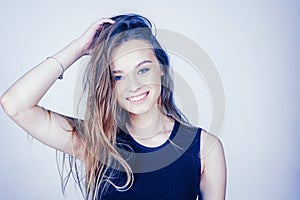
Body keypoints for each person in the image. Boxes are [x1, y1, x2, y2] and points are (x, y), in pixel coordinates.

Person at [0, 14, 226, 200]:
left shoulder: (205, 149)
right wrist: (78, 48)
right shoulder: (97, 141)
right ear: (109, 85)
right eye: (118, 77)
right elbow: (15, 104)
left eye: (143, 69)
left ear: (162, 70)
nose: (133, 86)